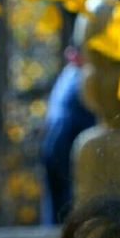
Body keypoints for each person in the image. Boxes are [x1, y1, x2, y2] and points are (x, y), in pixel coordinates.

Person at [40, 46, 95, 225]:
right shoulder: (79, 78)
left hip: (59, 142)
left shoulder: (70, 75)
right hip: (67, 143)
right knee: (66, 206)